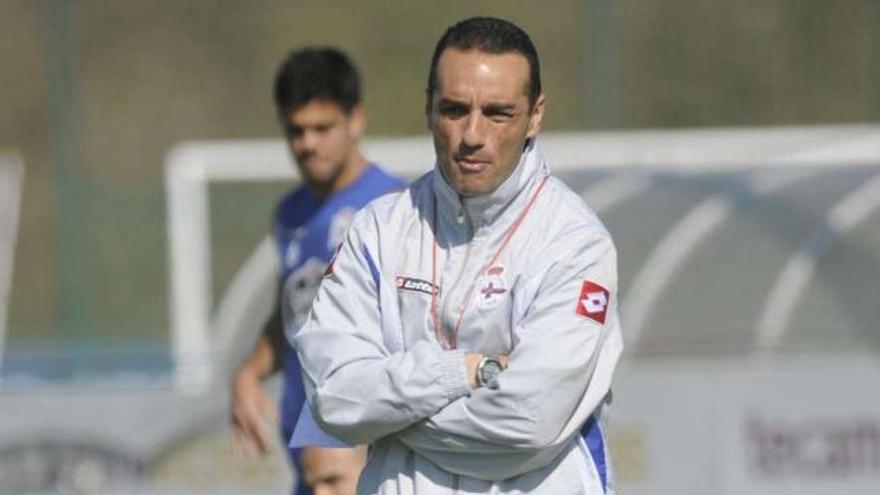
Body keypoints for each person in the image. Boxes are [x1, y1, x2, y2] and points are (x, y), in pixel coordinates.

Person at [293, 16, 624, 495]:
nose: (472, 134)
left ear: (535, 115)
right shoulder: (378, 230)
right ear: (428, 109)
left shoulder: (575, 242)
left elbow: (528, 420)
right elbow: (333, 397)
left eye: (498, 113)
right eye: (453, 109)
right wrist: (461, 372)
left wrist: (389, 415)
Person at [230, 47, 405, 495]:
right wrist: (249, 372)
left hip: (366, 462)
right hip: (308, 464)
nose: (308, 143)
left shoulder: (393, 209)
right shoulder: (289, 215)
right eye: (296, 130)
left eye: (322, 128)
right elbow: (291, 313)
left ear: (356, 121)